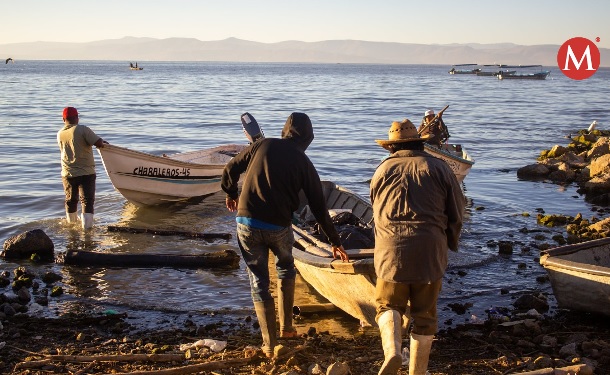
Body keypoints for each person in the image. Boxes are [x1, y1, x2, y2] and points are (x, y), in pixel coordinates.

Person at [221, 112, 348, 358]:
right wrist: (335, 241)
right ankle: (287, 329)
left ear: (285, 131)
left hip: (247, 222)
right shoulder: (304, 163)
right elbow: (320, 208)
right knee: (286, 268)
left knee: (259, 281)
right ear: (308, 137)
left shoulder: (262, 145)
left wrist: (230, 193)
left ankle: (269, 345)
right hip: (279, 226)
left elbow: (230, 168)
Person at [371, 119, 465, 375]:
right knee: (424, 316)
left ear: (391, 147)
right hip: (429, 250)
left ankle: (392, 352)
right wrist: (449, 244)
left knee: (387, 305)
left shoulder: (381, 170)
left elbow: (377, 214)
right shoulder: (440, 167)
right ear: (420, 143)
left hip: (391, 250)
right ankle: (417, 372)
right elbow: (457, 211)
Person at [57, 107, 108, 230]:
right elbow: (99, 143)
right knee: (87, 201)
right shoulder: (82, 129)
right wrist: (106, 143)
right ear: (77, 118)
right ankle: (87, 231)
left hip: (67, 173)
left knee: (70, 201)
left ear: (63, 119)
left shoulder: (60, 133)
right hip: (86, 173)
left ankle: (71, 227)